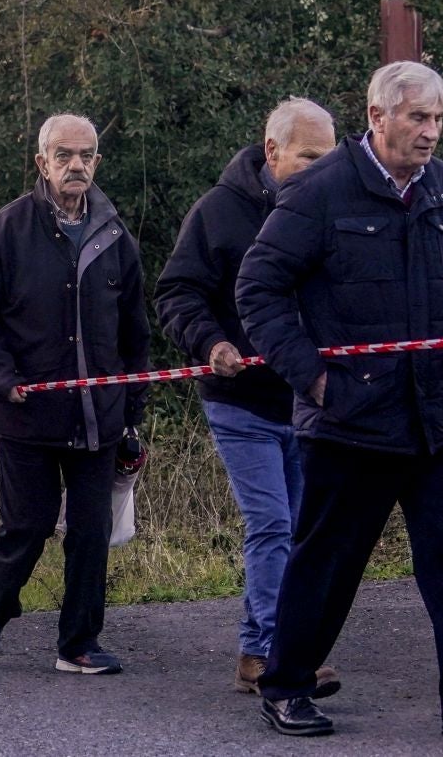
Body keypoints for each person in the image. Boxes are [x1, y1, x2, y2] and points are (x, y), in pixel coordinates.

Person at [236, 62, 443, 741]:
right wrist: (314, 380)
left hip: (435, 415)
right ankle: (285, 685)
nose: (431, 133)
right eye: (417, 119)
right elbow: (257, 288)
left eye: (438, 119)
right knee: (328, 561)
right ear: (377, 116)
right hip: (349, 419)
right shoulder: (321, 190)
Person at [0, 114, 152, 674]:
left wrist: (130, 409)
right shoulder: (8, 230)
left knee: (90, 533)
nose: (76, 166)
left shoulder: (115, 233)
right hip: (25, 415)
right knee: (29, 525)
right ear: (42, 163)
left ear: (97, 162)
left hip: (98, 417)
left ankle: (79, 644)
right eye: (63, 155)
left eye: (86, 155)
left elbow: (135, 332)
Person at [155, 97, 340, 693]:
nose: (319, 169)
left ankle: (288, 648)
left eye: (328, 158)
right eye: (308, 157)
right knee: (272, 524)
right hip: (241, 403)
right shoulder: (217, 212)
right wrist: (209, 342)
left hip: (309, 398)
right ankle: (261, 652)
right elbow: (177, 292)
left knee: (305, 529)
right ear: (271, 151)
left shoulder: (332, 206)